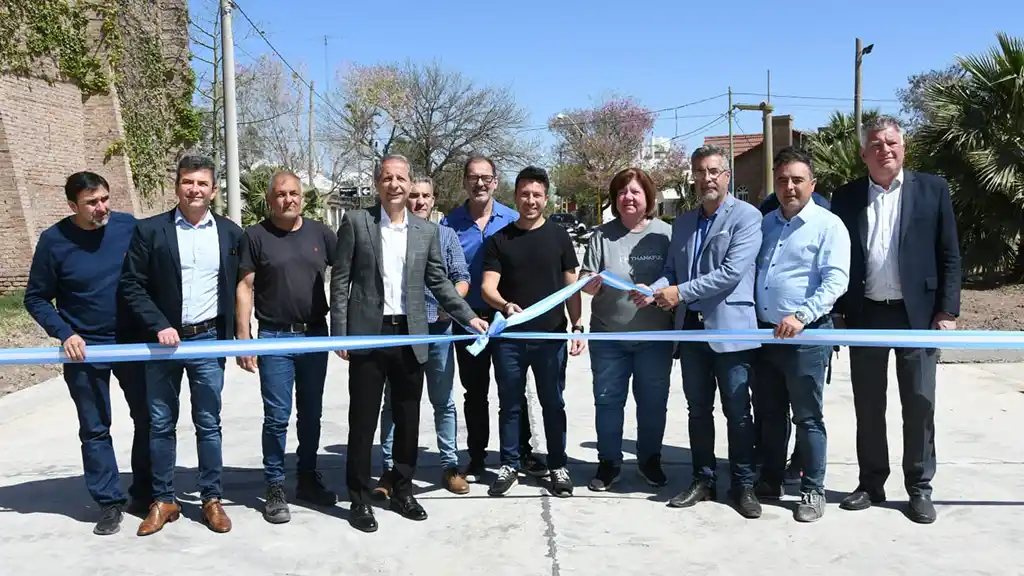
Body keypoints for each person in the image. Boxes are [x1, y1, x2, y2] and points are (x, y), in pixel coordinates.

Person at [330, 154, 488, 533]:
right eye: (387, 178)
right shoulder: (356, 222)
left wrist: (469, 316)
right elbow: (340, 281)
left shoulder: (426, 231)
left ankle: (403, 489)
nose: (395, 185)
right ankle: (358, 496)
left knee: (407, 418)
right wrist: (340, 331)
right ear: (377, 183)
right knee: (363, 420)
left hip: (412, 335)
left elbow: (439, 282)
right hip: (368, 335)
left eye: (401, 178)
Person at [830, 115, 961, 524]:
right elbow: (840, 258)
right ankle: (871, 483)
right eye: (876, 143)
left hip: (916, 315)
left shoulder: (932, 190)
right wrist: (837, 312)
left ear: (903, 148)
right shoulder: (846, 197)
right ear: (863, 152)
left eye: (891, 142)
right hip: (866, 312)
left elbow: (950, 254)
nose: (884, 149)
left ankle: (919, 487)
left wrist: (947, 310)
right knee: (868, 405)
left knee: (919, 404)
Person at [119, 155, 243, 536]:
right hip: (163, 345)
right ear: (177, 186)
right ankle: (164, 500)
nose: (195, 189)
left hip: (208, 341)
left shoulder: (230, 234)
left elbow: (242, 285)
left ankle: (211, 498)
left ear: (214, 190)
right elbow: (131, 283)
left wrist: (242, 334)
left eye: (202, 183)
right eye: (188, 182)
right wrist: (159, 325)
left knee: (209, 423)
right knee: (160, 424)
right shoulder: (150, 231)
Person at [23, 171, 151, 536]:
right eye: (92, 203)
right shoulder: (54, 241)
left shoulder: (128, 227)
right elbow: (36, 297)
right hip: (85, 349)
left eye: (105, 199)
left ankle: (143, 491)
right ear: (72, 206)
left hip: (133, 343)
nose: (101, 208)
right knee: (95, 429)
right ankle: (109, 503)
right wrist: (65, 332)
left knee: (148, 420)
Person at [639, 144, 763, 519]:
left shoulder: (747, 217)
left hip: (731, 329)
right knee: (697, 410)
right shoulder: (684, 221)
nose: (706, 178)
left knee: (738, 411)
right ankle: (703, 479)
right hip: (690, 330)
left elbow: (729, 274)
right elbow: (675, 273)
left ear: (727, 176)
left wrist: (678, 293)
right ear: (692, 176)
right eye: (699, 172)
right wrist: (653, 290)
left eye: (713, 171)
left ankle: (743, 484)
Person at [235, 170, 339, 525]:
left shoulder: (321, 234)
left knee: (311, 414)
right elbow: (245, 287)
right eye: (280, 194)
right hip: (274, 338)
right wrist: (243, 335)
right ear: (270, 200)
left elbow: (347, 275)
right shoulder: (255, 236)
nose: (288, 199)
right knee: (276, 418)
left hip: (315, 336)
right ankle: (275, 486)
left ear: (303, 197)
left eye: (293, 193)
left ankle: (308, 477)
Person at [754, 148, 850, 523]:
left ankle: (812, 488)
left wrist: (802, 315)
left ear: (812, 184)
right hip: (763, 335)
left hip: (806, 336)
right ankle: (772, 478)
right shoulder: (765, 224)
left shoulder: (829, 225)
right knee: (770, 414)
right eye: (782, 180)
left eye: (797, 180)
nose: (789, 187)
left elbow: (835, 280)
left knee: (807, 417)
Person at [481, 166, 586, 498]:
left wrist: (578, 326)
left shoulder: (558, 237)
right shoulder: (500, 240)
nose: (530, 200)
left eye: (537, 194)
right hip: (510, 340)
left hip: (551, 337)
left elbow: (572, 285)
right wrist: (504, 305)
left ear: (546, 198)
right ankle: (510, 463)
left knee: (552, 403)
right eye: (524, 194)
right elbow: (487, 288)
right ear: (515, 196)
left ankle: (558, 465)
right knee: (510, 404)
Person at [442, 155, 542, 481]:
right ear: (464, 182)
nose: (480, 183)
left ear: (496, 181)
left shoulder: (514, 220)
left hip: (507, 320)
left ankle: (521, 454)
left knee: (513, 389)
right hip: (468, 322)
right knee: (475, 392)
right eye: (473, 177)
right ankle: (476, 456)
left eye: (486, 177)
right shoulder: (449, 225)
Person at [376, 176, 471, 497]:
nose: (418, 201)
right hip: (400, 331)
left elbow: (461, 276)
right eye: (413, 195)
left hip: (439, 331)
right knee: (394, 402)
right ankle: (389, 469)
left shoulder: (446, 236)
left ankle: (450, 466)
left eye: (425, 196)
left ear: (434, 200)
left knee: (443, 401)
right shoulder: (390, 235)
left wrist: (452, 304)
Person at [579, 167, 674, 492]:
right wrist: (590, 284)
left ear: (648, 196)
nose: (627, 197)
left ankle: (650, 460)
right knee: (607, 400)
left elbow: (676, 280)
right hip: (608, 338)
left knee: (652, 402)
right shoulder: (601, 236)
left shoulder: (665, 235)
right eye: (621, 192)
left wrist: (658, 292)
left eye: (634, 191)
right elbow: (585, 280)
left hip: (655, 339)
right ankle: (609, 463)